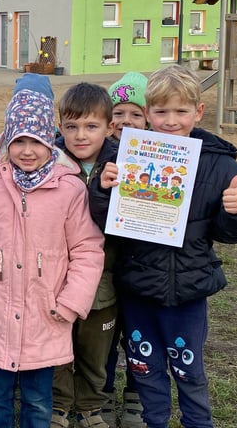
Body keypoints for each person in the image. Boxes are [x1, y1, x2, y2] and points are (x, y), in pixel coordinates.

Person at [89, 65, 237, 428]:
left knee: (189, 372)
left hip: (189, 291)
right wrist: (103, 190)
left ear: (197, 112)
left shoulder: (220, 165)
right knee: (145, 369)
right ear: (148, 113)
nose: (170, 121)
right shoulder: (125, 158)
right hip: (139, 287)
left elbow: (232, 233)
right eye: (161, 111)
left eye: (180, 111)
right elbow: (107, 225)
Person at [0, 87, 105, 428]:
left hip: (46, 314)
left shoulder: (70, 189)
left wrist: (69, 303)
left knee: (38, 401)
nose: (27, 151)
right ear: (6, 142)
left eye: (36, 141)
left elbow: (87, 250)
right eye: (18, 141)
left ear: (50, 142)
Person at [49, 83, 119, 428]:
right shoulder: (46, 161)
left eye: (91, 126)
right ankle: (59, 406)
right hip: (56, 279)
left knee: (95, 351)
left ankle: (91, 407)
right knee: (58, 347)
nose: (80, 135)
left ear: (109, 126)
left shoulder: (124, 163)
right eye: (71, 126)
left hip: (104, 281)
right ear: (60, 126)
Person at [103, 71, 150, 428]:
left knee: (137, 335)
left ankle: (136, 394)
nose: (126, 121)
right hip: (105, 262)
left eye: (135, 113)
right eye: (118, 113)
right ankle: (101, 393)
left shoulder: (161, 156)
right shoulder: (98, 153)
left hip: (141, 262)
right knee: (104, 336)